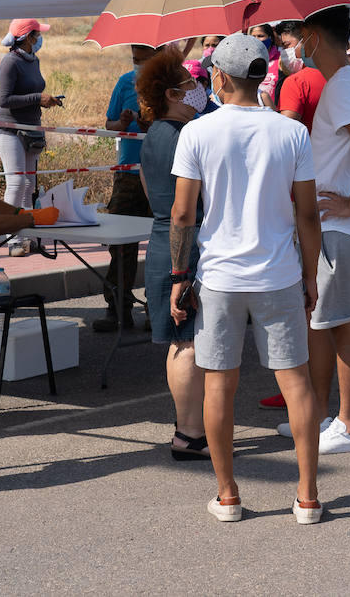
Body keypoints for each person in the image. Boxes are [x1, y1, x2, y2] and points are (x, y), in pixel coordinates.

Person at [169, 33, 324, 524]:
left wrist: (178, 274)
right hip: (279, 273)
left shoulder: (198, 132)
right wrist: (310, 275)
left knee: (220, 386)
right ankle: (307, 497)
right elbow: (308, 216)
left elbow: (181, 214)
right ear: (262, 77)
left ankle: (229, 495)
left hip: (219, 277)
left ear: (218, 76)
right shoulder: (291, 133)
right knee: (296, 382)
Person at [297, 5, 350, 454]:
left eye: (296, 35)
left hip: (339, 225)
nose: (293, 44)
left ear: (312, 35)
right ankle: (322, 416)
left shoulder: (343, 86)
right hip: (335, 224)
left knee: (343, 320)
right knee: (324, 320)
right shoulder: (349, 82)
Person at [129, 49, 213, 459]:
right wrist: (184, 269)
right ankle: (190, 432)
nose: (197, 88)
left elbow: (152, 191)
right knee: (187, 341)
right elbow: (187, 207)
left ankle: (188, 427)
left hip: (162, 237)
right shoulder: (184, 137)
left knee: (179, 341)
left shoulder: (153, 136)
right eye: (189, 82)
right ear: (173, 94)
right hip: (183, 242)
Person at [97, 44, 155, 331]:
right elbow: (108, 122)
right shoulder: (124, 82)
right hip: (128, 173)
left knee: (162, 242)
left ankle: (159, 306)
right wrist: (120, 122)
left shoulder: (173, 85)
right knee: (121, 242)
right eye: (135, 60)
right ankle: (118, 308)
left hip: (161, 173)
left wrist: (153, 126)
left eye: (145, 60)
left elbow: (187, 125)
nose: (139, 65)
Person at [0, 18, 62, 255]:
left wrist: (45, 101)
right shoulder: (10, 63)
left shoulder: (33, 60)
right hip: (10, 129)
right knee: (16, 182)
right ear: (28, 37)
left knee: (29, 185)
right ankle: (11, 237)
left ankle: (26, 233)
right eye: (37, 35)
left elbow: (32, 92)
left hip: (32, 129)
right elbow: (3, 100)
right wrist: (37, 98)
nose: (39, 39)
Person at [278, 44, 327, 132]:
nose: (286, 51)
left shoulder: (296, 81)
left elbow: (286, 129)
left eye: (288, 46)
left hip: (308, 144)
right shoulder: (349, 76)